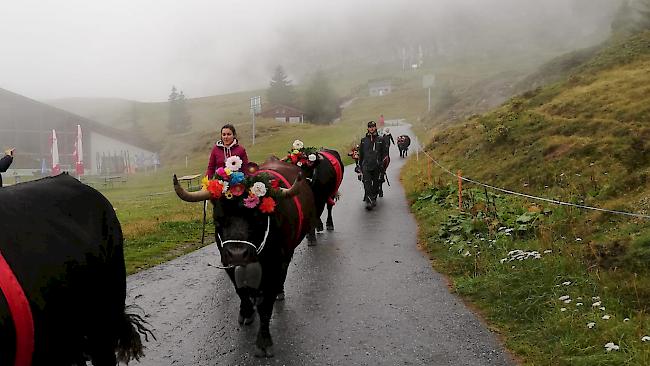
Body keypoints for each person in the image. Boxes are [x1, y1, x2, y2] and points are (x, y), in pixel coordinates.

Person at [358, 121, 386, 210]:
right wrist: (359, 167)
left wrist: (382, 165)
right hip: (366, 166)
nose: (372, 128)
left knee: (376, 184)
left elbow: (385, 154)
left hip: (377, 166)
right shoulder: (363, 140)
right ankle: (369, 201)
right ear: (368, 128)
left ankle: (373, 198)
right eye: (370, 127)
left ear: (375, 128)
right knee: (367, 183)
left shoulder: (381, 139)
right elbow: (361, 155)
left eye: (373, 126)